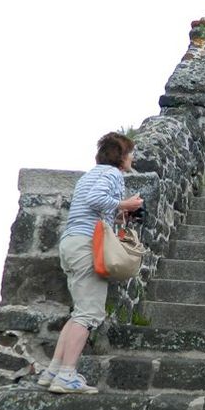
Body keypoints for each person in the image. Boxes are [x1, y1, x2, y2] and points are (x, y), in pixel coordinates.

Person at [38, 132, 143, 394]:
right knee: (88, 314)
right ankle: (67, 375)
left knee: (79, 313)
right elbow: (97, 200)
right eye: (130, 153)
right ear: (121, 156)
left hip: (71, 242)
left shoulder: (90, 175)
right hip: (87, 245)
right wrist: (126, 203)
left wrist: (118, 215)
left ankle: (53, 371)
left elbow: (91, 205)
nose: (132, 158)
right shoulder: (113, 175)